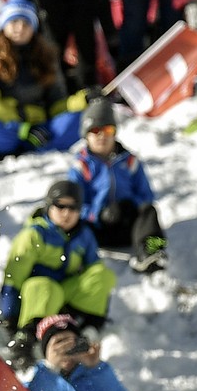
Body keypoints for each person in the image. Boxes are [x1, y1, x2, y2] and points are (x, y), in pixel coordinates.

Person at [0, 181, 115, 369]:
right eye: (60, 206)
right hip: (35, 298)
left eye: (73, 207)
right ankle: (26, 338)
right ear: (49, 206)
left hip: (65, 297)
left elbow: (94, 271)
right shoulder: (34, 235)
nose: (66, 213)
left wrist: (100, 309)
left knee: (103, 274)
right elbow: (13, 278)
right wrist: (10, 317)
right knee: (44, 286)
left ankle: (86, 331)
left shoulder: (84, 235)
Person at [0, 0, 86, 160]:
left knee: (79, 120)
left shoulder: (46, 55)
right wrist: (23, 128)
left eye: (26, 23)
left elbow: (58, 103)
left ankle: (35, 153)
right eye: (14, 22)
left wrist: (82, 101)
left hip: (41, 130)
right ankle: (24, 150)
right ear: (4, 25)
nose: (20, 28)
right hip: (9, 128)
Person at [68, 99, 168, 273]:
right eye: (95, 131)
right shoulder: (81, 167)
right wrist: (97, 214)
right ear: (86, 135)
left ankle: (152, 253)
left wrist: (130, 207)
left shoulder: (129, 161)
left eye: (107, 130)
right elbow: (74, 204)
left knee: (149, 212)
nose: (102, 136)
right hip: (97, 230)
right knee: (71, 223)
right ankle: (75, 259)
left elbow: (147, 195)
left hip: (128, 227)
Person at [23, 314, 135, 391]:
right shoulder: (39, 380)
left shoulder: (94, 377)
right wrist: (50, 369)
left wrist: (96, 368)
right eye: (58, 344)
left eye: (71, 343)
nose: (66, 349)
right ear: (46, 353)